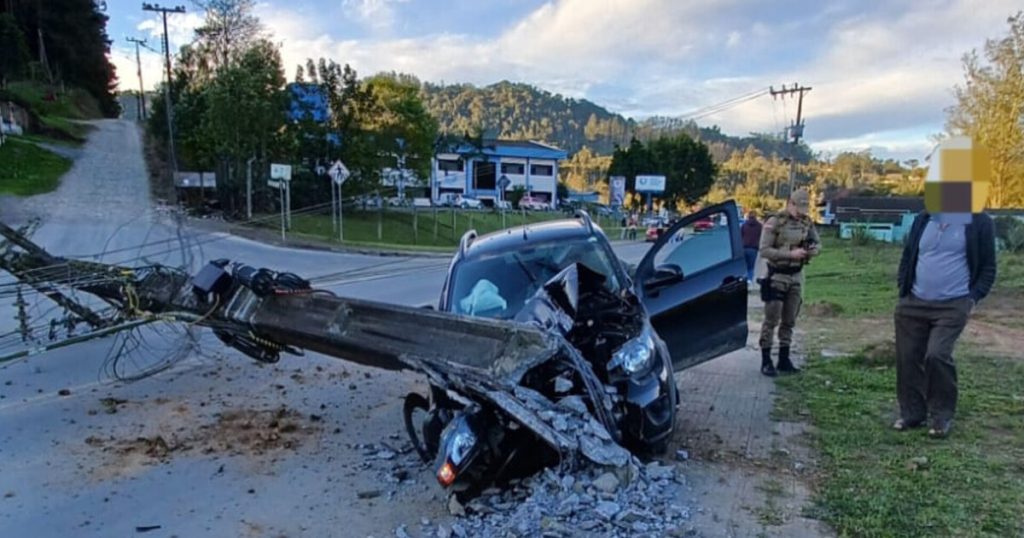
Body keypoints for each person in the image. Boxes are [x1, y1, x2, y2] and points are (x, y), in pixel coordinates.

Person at [893, 211, 996, 438]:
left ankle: (941, 415)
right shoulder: (923, 219)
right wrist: (904, 289)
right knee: (907, 357)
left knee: (937, 355)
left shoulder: (979, 221)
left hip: (953, 304)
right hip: (914, 302)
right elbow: (909, 254)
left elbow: (988, 266)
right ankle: (912, 413)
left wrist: (972, 298)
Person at [758, 189, 820, 377]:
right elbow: (764, 250)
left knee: (789, 319)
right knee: (772, 319)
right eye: (798, 207)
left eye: (804, 207)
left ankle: (784, 359)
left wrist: (812, 250)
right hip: (777, 275)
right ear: (790, 203)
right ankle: (766, 360)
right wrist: (789, 254)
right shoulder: (775, 222)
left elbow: (818, 243)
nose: (800, 211)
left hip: (797, 276)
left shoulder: (806, 222)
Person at [740, 211, 762, 283]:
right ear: (755, 217)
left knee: (744, 266)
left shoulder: (744, 225)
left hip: (744, 248)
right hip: (753, 248)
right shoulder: (759, 226)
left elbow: (740, 235)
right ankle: (750, 280)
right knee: (751, 267)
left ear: (748, 217)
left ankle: (743, 279)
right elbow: (762, 237)